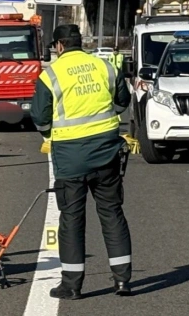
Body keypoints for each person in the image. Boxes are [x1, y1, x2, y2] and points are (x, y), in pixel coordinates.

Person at [30, 24, 133, 299]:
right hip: (106, 153)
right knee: (112, 213)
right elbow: (123, 101)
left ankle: (72, 285)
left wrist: (52, 134)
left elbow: (39, 117)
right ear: (80, 43)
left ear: (59, 46)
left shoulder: (50, 75)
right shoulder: (105, 67)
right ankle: (122, 281)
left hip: (70, 158)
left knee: (72, 220)